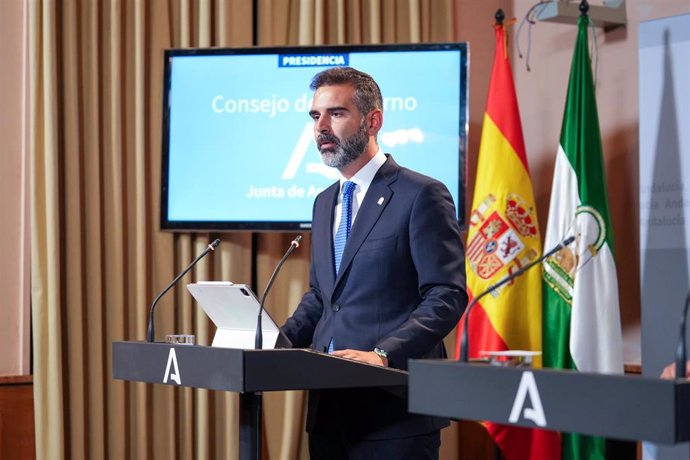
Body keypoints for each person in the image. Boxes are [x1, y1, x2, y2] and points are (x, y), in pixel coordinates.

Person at [280, 66, 467, 460]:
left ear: (373, 120)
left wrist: (382, 354)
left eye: (337, 113)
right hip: (329, 413)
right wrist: (272, 343)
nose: (321, 128)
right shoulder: (325, 202)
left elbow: (446, 295)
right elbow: (322, 297)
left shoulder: (421, 194)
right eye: (316, 116)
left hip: (394, 414)